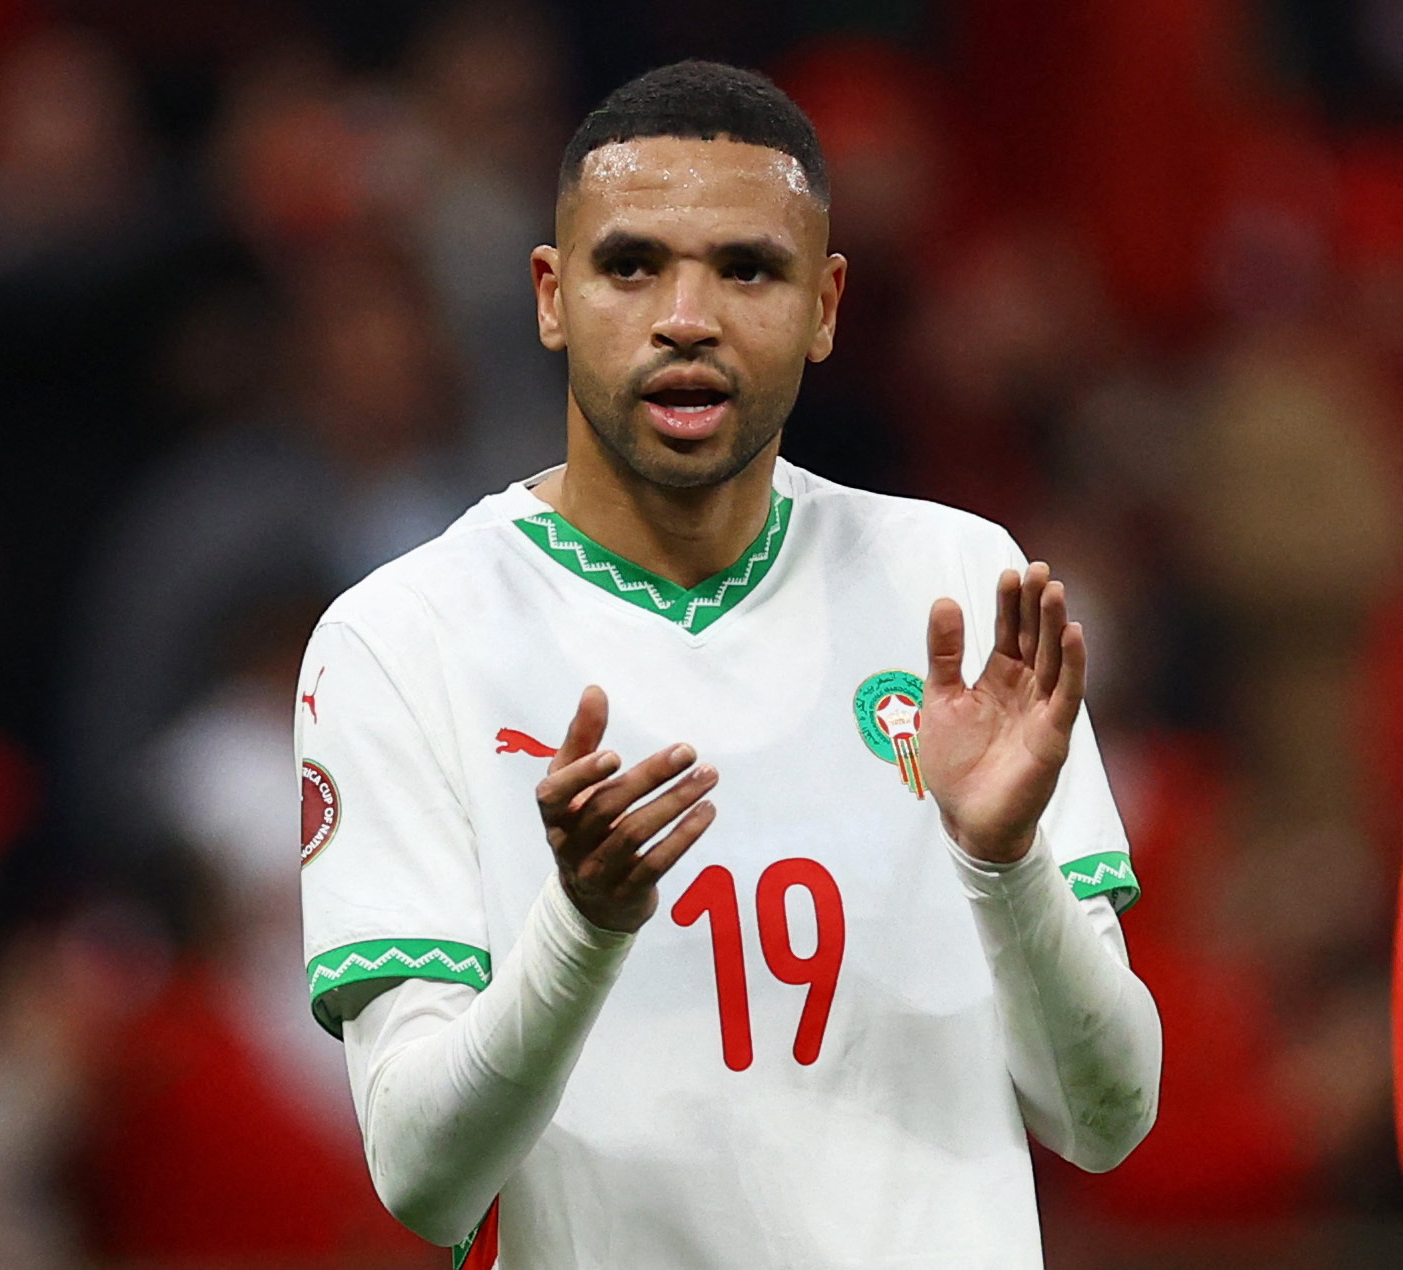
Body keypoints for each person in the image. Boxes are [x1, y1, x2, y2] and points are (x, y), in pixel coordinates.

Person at [297, 61, 1161, 1269]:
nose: (686, 316)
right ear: (551, 294)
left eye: (747, 268)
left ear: (826, 303)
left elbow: (1108, 1118)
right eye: (631, 264)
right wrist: (584, 926)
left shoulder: (958, 589)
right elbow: (421, 1174)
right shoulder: (402, 637)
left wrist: (1003, 864)